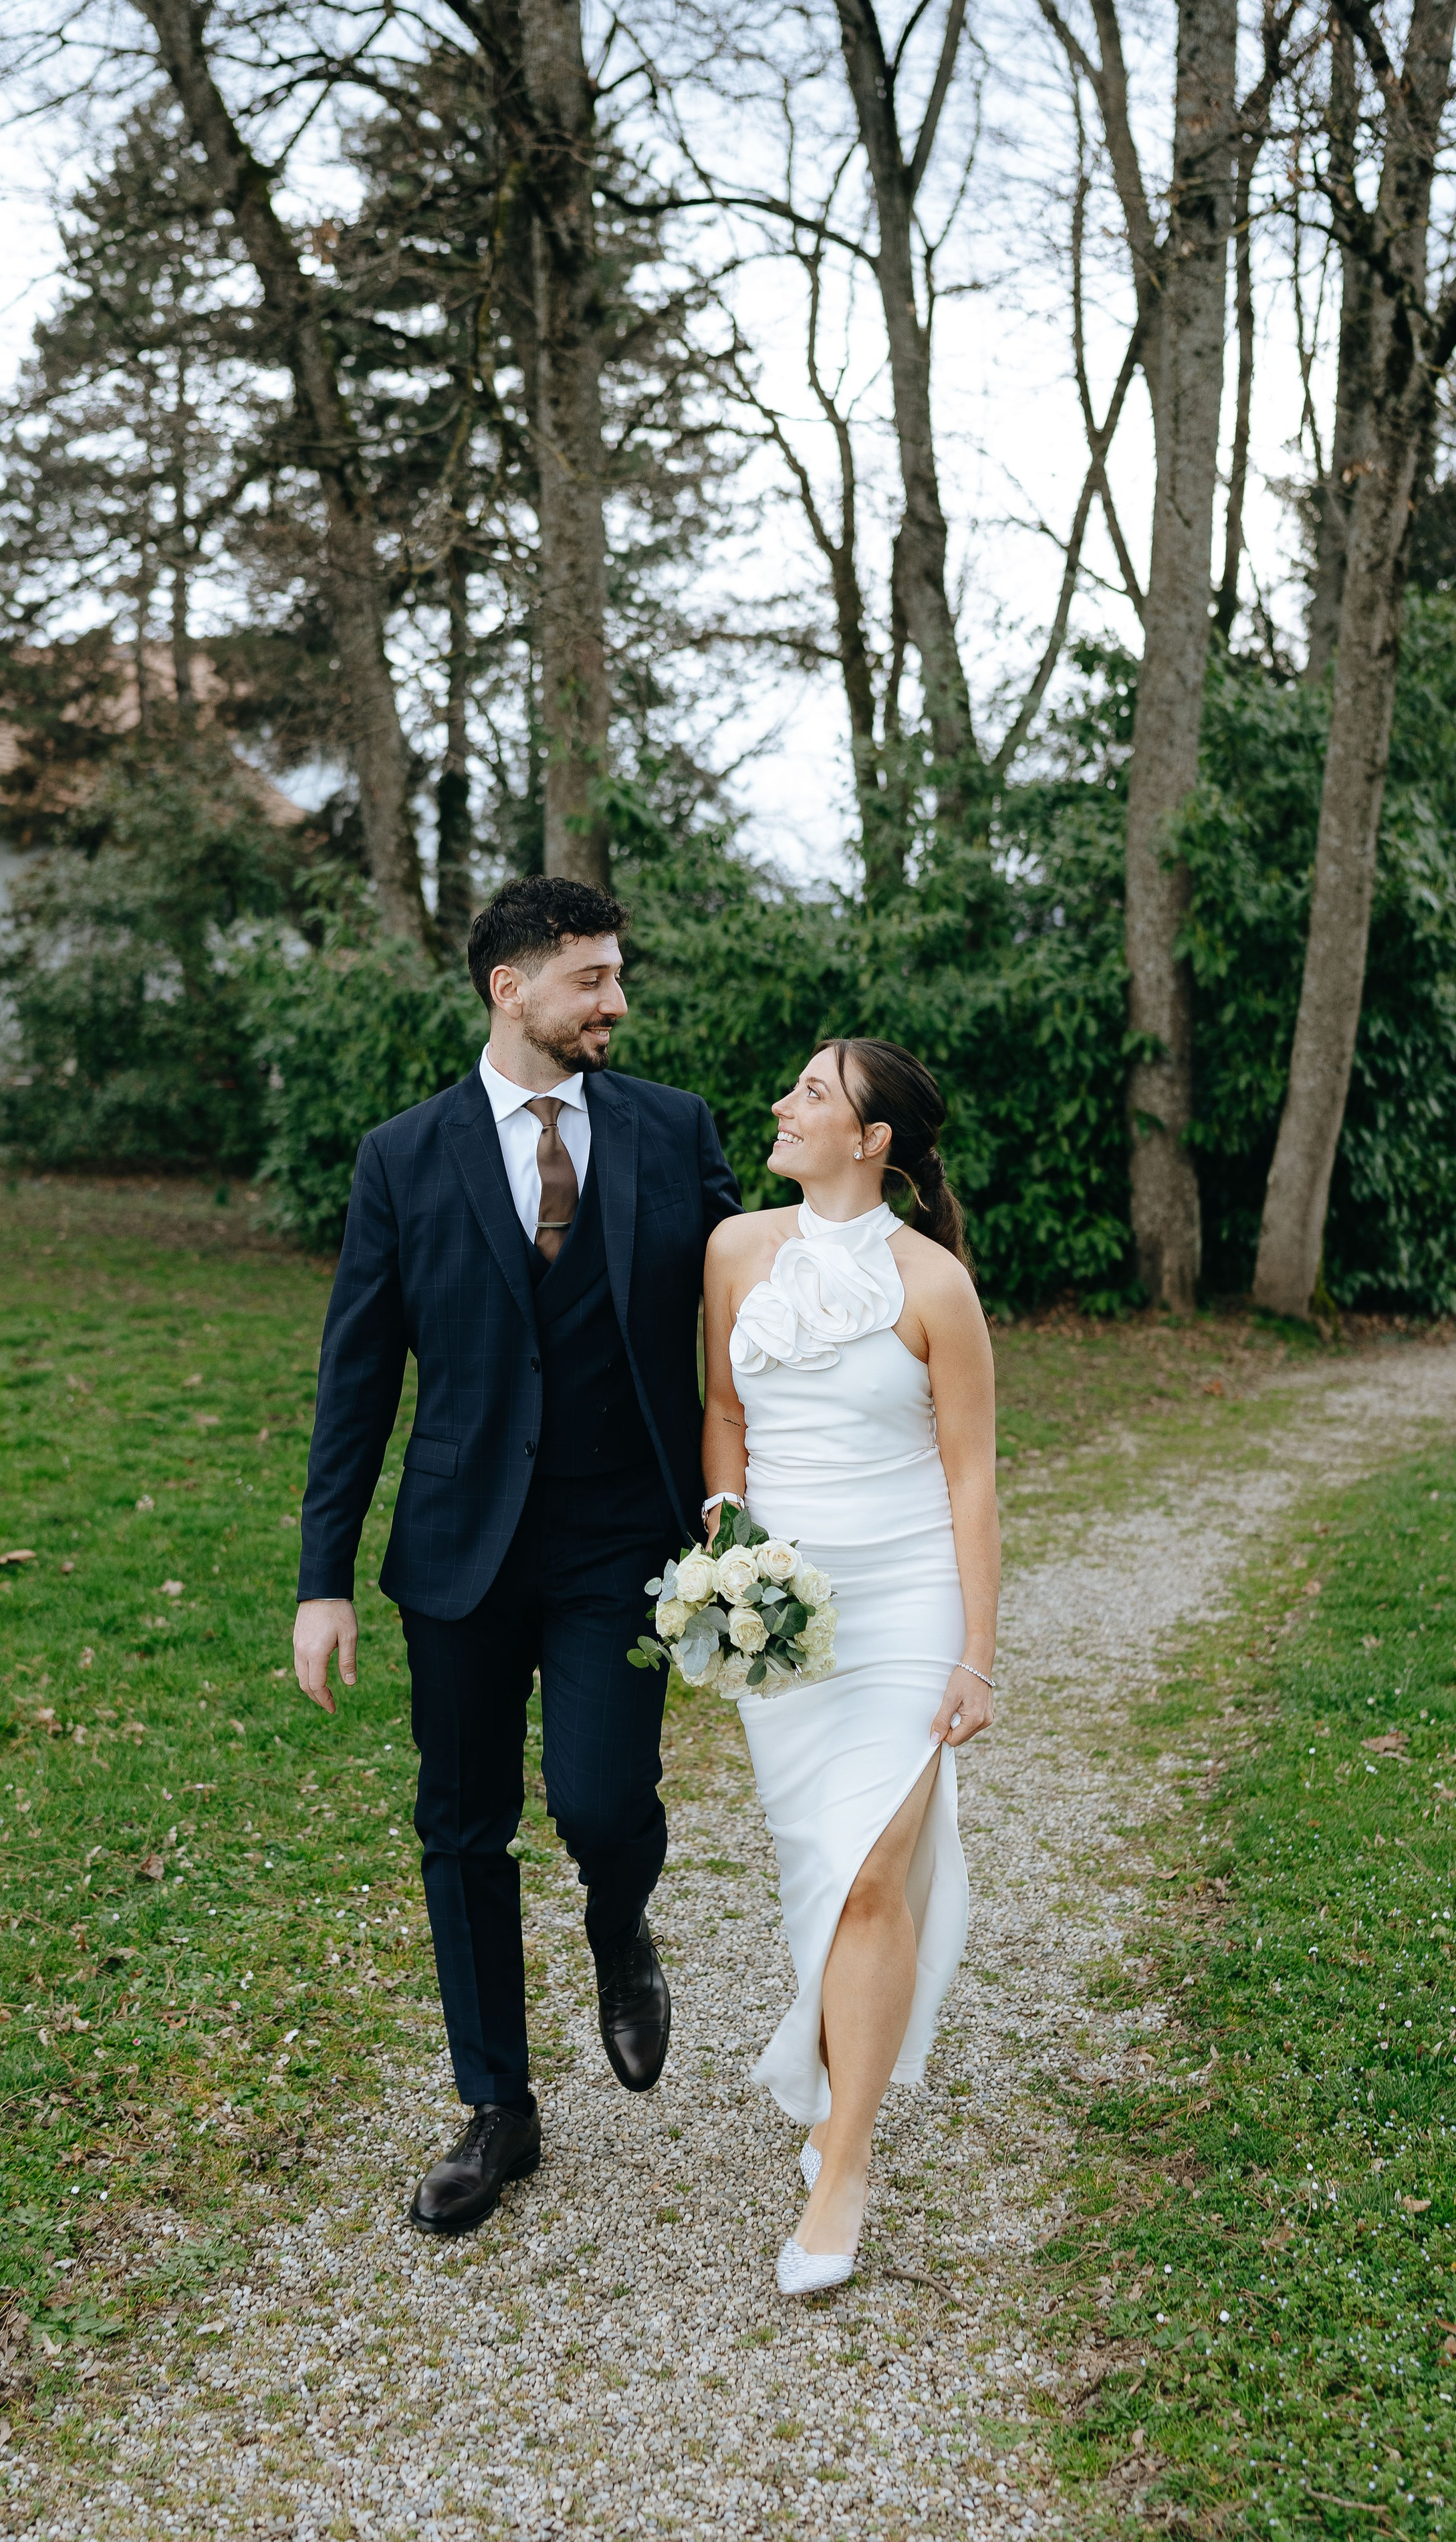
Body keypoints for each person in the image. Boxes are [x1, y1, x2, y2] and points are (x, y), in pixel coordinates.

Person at [293, 876, 742, 2235]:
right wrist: (322, 1579)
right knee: (461, 1824)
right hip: (459, 1550)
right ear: (511, 989)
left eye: (616, 976)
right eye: (591, 979)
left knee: (604, 1802)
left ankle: (620, 1924)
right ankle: (498, 2106)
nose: (616, 1001)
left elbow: (741, 1322)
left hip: (622, 1537)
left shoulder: (672, 1133)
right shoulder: (402, 1158)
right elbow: (355, 1380)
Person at [700, 1038, 997, 2295]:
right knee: (818, 1874)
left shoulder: (936, 1286)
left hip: (907, 1597)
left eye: (812, 1092)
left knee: (876, 1868)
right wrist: (729, 1535)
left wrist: (979, 1652)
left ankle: (848, 2165)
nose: (784, 1104)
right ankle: (836, 2086)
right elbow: (724, 1414)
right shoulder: (733, 1253)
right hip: (786, 1617)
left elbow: (971, 1472)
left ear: (871, 1138)